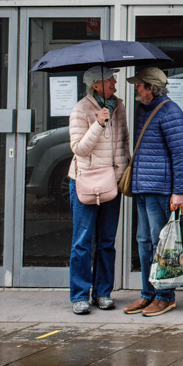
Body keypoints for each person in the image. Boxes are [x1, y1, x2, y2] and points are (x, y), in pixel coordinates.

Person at [124, 66, 183, 317]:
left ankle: (165, 296)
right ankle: (147, 293)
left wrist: (178, 191)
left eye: (139, 85)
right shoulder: (143, 110)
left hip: (160, 189)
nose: (135, 89)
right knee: (143, 242)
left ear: (151, 87)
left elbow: (181, 155)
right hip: (142, 187)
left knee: (161, 244)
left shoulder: (170, 111)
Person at [67, 66, 128, 315]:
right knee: (82, 242)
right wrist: (98, 124)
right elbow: (78, 149)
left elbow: (123, 143)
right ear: (95, 85)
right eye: (109, 79)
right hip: (86, 182)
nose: (114, 82)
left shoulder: (119, 107)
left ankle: (103, 292)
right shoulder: (81, 110)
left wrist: (124, 174)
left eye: (114, 78)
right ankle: (80, 295)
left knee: (107, 241)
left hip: (111, 183)